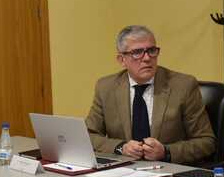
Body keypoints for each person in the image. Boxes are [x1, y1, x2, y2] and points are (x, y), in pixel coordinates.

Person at [85, 25, 215, 165]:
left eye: (151, 51)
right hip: (124, 170)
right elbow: (88, 135)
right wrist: (120, 147)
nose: (147, 58)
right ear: (122, 60)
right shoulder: (106, 87)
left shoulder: (183, 86)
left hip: (168, 169)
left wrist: (166, 152)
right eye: (137, 52)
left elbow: (206, 142)